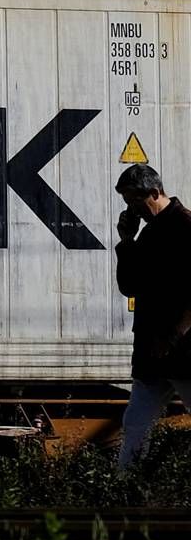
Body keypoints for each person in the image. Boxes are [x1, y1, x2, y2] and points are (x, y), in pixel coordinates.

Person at [113, 163, 191, 468]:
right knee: (135, 421)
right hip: (154, 352)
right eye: (128, 203)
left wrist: (174, 336)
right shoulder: (148, 234)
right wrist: (126, 242)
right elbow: (129, 285)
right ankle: (126, 487)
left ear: (155, 192)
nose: (133, 209)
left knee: (137, 421)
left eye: (135, 200)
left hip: (183, 351)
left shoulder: (185, 227)